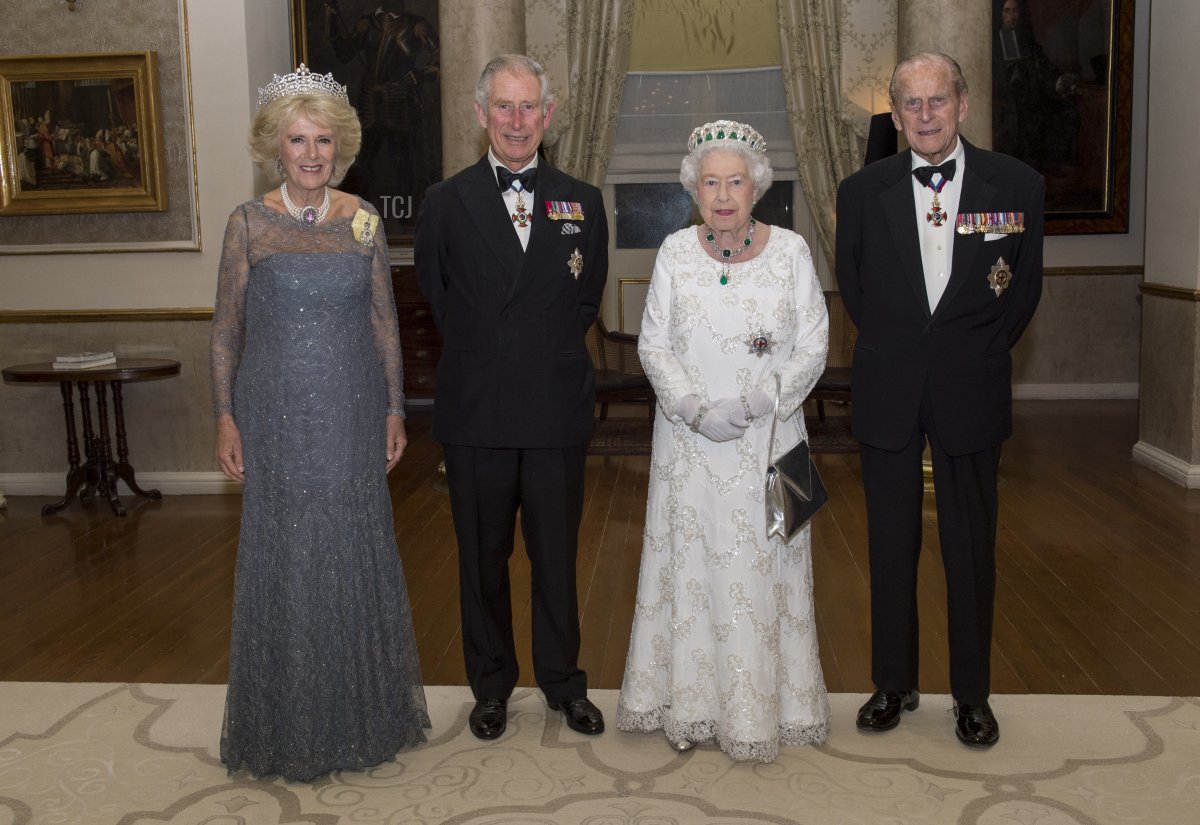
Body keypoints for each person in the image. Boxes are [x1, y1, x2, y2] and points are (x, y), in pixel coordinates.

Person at [210, 63, 429, 780]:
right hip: (272, 416)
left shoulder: (362, 218)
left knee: (348, 545)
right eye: (298, 140)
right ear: (276, 146)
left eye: (324, 141)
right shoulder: (247, 224)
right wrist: (225, 417)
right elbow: (224, 331)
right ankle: (285, 722)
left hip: (351, 412)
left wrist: (395, 407)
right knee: (289, 555)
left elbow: (384, 323)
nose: (311, 154)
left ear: (341, 147)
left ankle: (364, 715)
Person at [835, 52, 1043, 748]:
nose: (925, 115)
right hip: (889, 387)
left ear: (961, 103)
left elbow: (1022, 295)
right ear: (895, 114)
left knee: (971, 551)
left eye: (938, 100)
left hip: (970, 388)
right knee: (890, 547)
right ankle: (893, 684)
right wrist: (908, 347)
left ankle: (972, 696)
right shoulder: (861, 192)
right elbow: (857, 291)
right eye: (911, 104)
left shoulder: (1016, 185)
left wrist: (967, 350)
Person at [616, 120, 831, 762]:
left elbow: (816, 341)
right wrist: (691, 407)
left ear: (757, 186)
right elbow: (653, 342)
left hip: (776, 445)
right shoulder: (674, 253)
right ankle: (692, 708)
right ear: (694, 189)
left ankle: (775, 709)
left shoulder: (791, 251)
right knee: (693, 572)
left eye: (735, 181)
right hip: (690, 447)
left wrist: (765, 398)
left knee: (773, 573)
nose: (723, 194)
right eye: (710, 182)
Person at [415, 54, 608, 741]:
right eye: (504, 106)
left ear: (548, 115)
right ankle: (491, 686)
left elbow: (584, 300)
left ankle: (563, 683)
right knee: (481, 560)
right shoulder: (446, 201)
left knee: (557, 558)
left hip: (555, 408)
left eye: (529, 107)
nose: (517, 120)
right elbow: (440, 299)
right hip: (478, 409)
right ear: (481, 114)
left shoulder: (581, 199)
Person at [992, 0, 1080, 172]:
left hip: (1032, 95)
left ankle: (1052, 167)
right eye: (1007, 11)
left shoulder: (1026, 39)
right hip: (1005, 99)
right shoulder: (993, 44)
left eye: (1015, 11)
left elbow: (1045, 66)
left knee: (1067, 113)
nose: (1012, 16)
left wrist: (1059, 80)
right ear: (1000, 14)